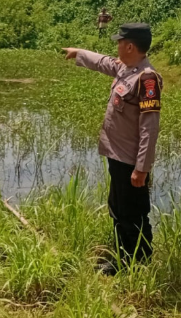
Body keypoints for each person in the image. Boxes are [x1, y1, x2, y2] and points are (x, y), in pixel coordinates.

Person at [63, 23, 163, 275]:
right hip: (117, 156)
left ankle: (136, 261)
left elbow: (149, 129)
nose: (116, 46)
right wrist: (79, 52)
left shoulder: (147, 79)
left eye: (120, 42)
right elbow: (104, 62)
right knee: (118, 207)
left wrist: (141, 168)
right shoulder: (127, 69)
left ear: (130, 46)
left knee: (132, 212)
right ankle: (127, 256)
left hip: (130, 160)